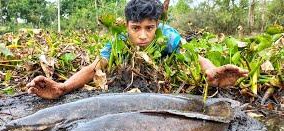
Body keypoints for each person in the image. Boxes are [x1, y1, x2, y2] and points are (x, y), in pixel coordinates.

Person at [27, 0, 248, 100]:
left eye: (149, 28)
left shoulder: (168, 36)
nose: (142, 35)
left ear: (157, 26)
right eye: (136, 28)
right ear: (126, 26)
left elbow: (196, 57)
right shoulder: (120, 41)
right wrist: (63, 88)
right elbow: (93, 68)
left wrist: (212, 71)